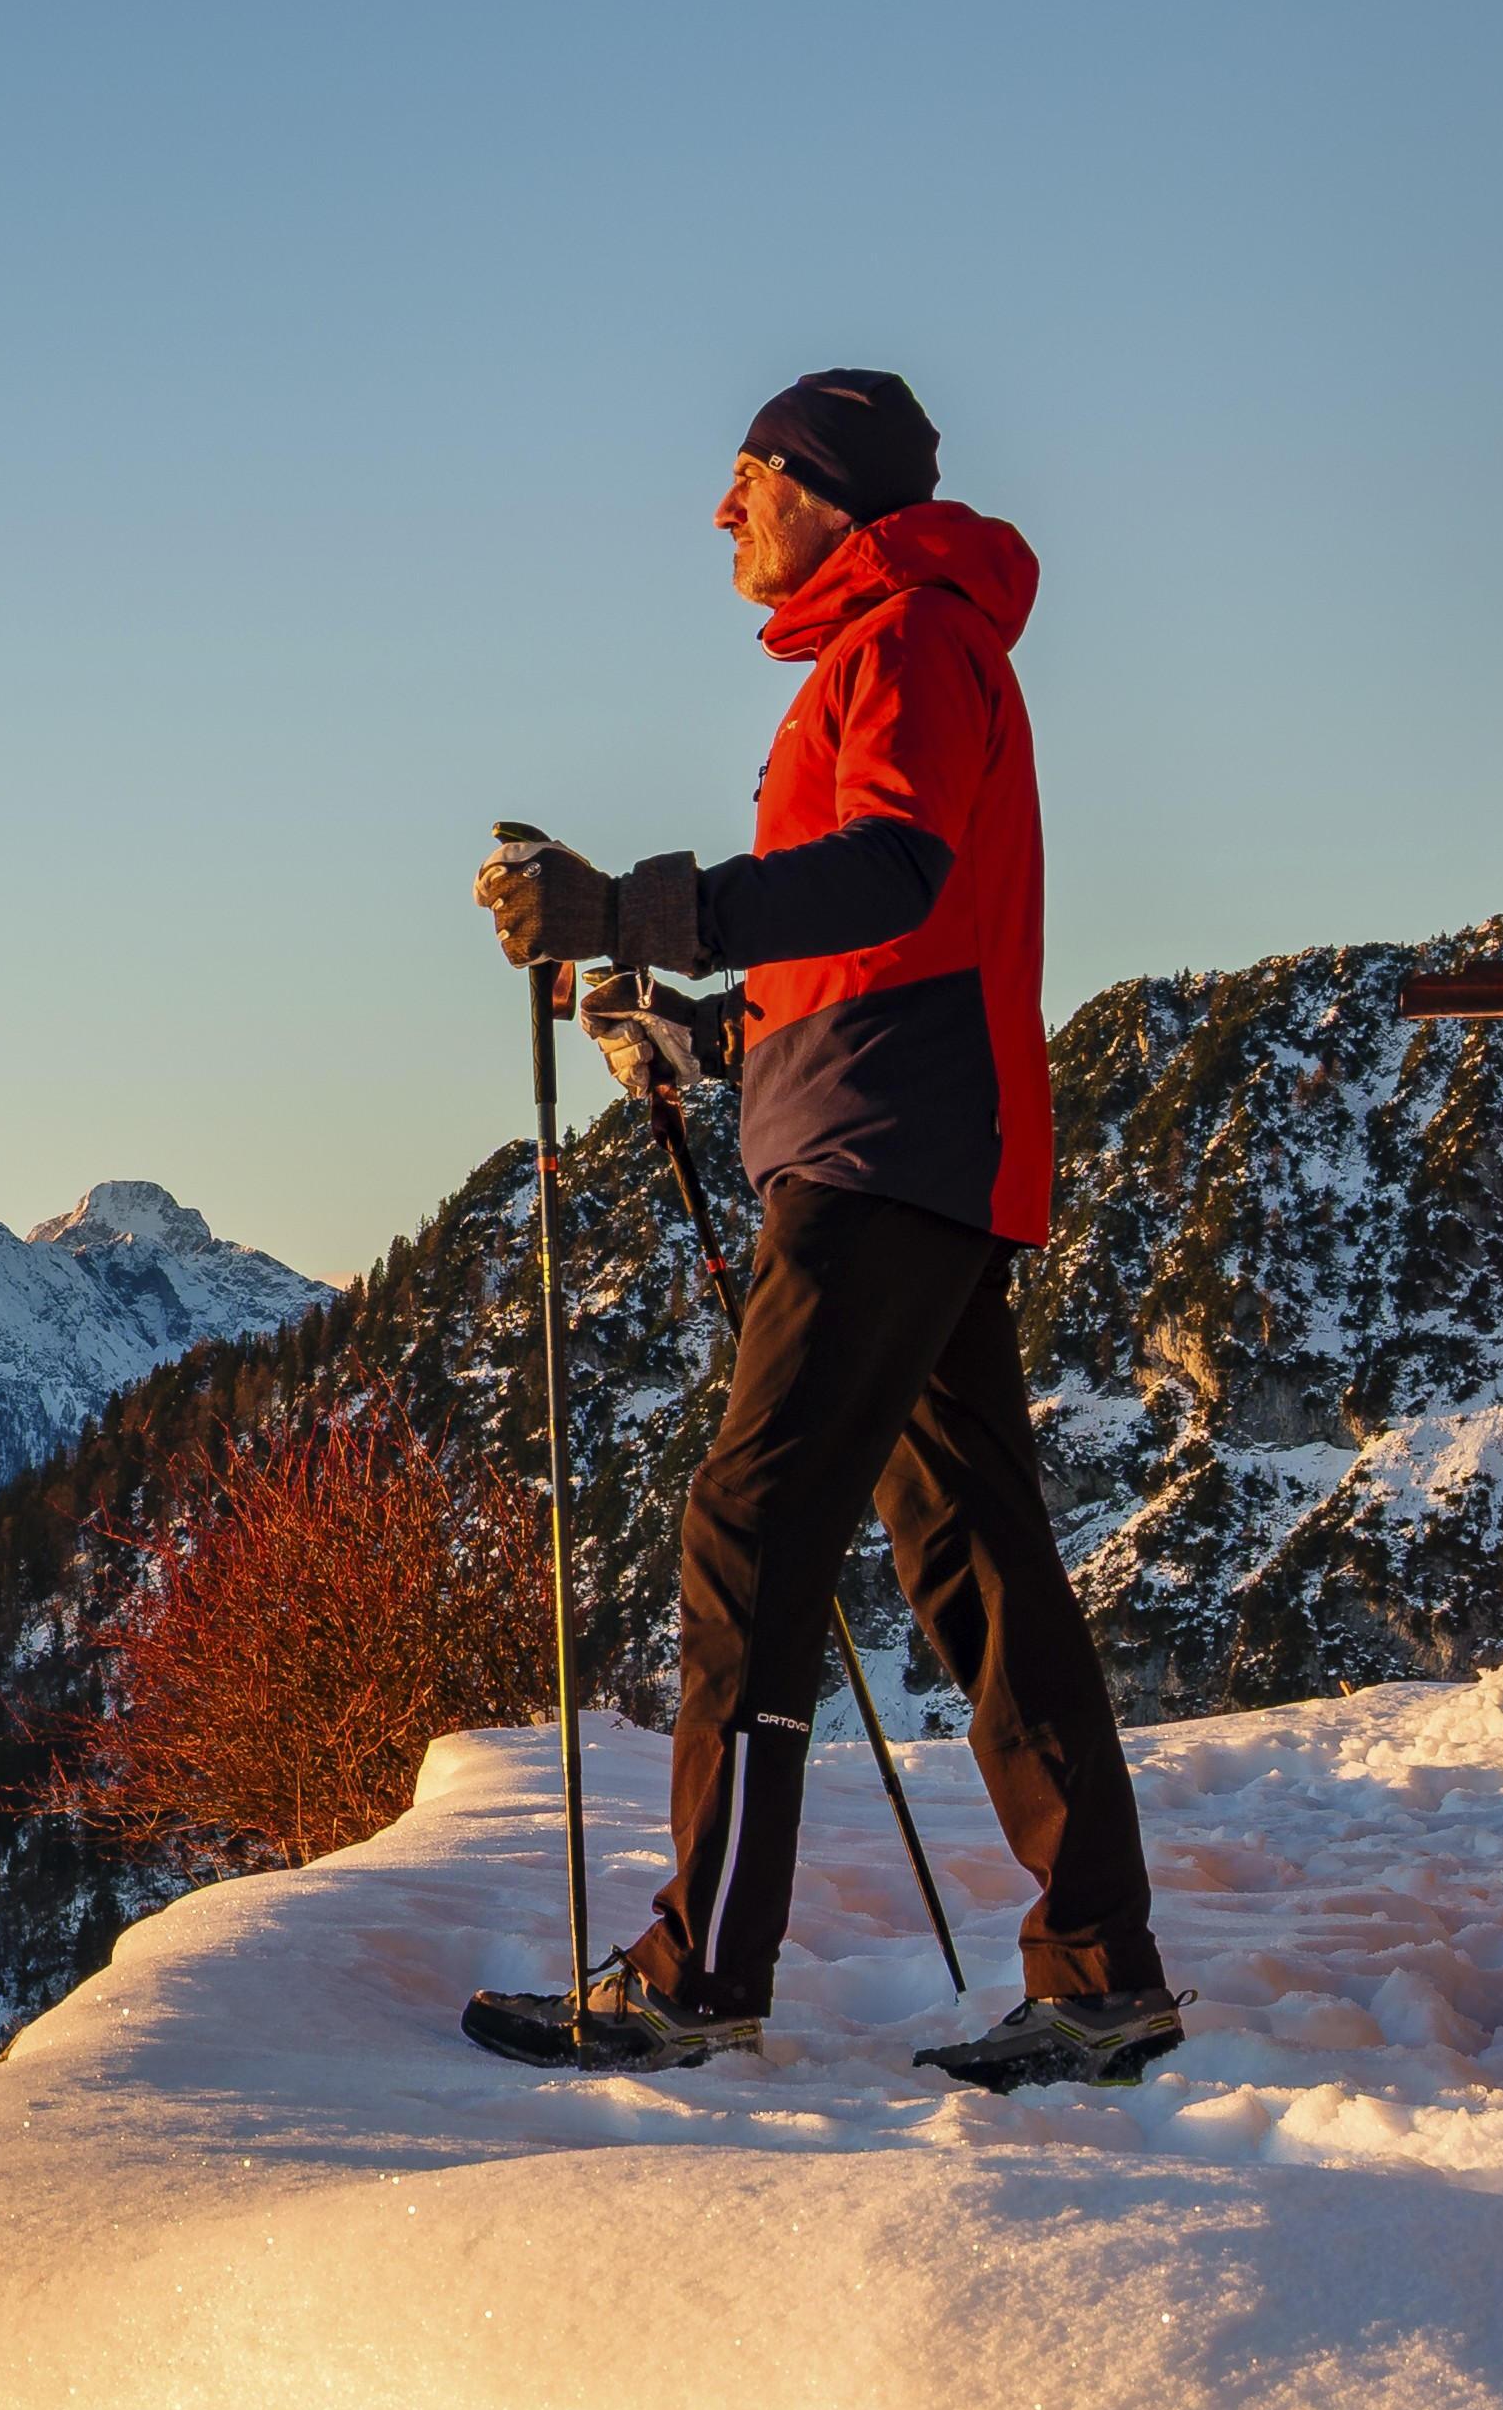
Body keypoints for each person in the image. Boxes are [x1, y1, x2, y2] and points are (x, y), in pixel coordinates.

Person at [465, 367, 1174, 2092]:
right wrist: (700, 1028)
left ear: (824, 491)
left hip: (887, 1153)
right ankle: (1097, 1970)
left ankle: (702, 1971)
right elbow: (863, 944)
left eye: (746, 480)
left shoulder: (913, 641)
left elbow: (896, 871)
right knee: (980, 1562)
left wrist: (645, 905)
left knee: (754, 1520)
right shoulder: (885, 650)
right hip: (899, 1134)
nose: (721, 514)